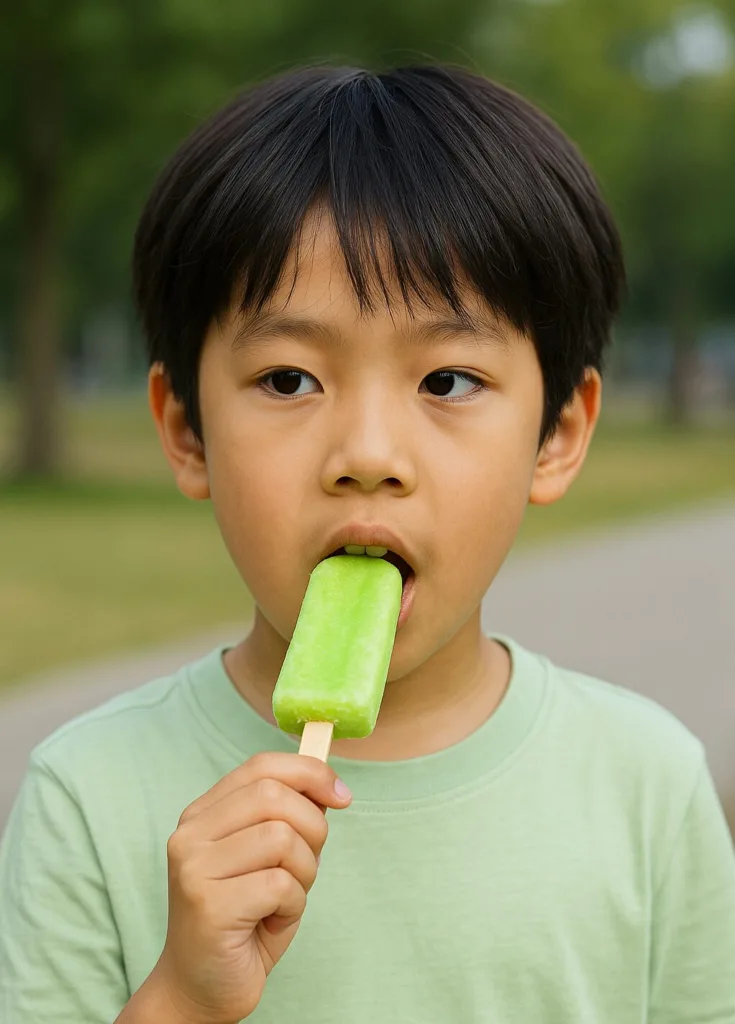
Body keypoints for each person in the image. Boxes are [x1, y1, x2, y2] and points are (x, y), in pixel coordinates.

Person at [1, 64, 733, 1024]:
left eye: (449, 381)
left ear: (556, 435)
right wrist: (178, 998)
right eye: (290, 380)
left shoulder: (647, 784)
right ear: (185, 430)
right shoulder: (87, 796)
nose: (368, 456)